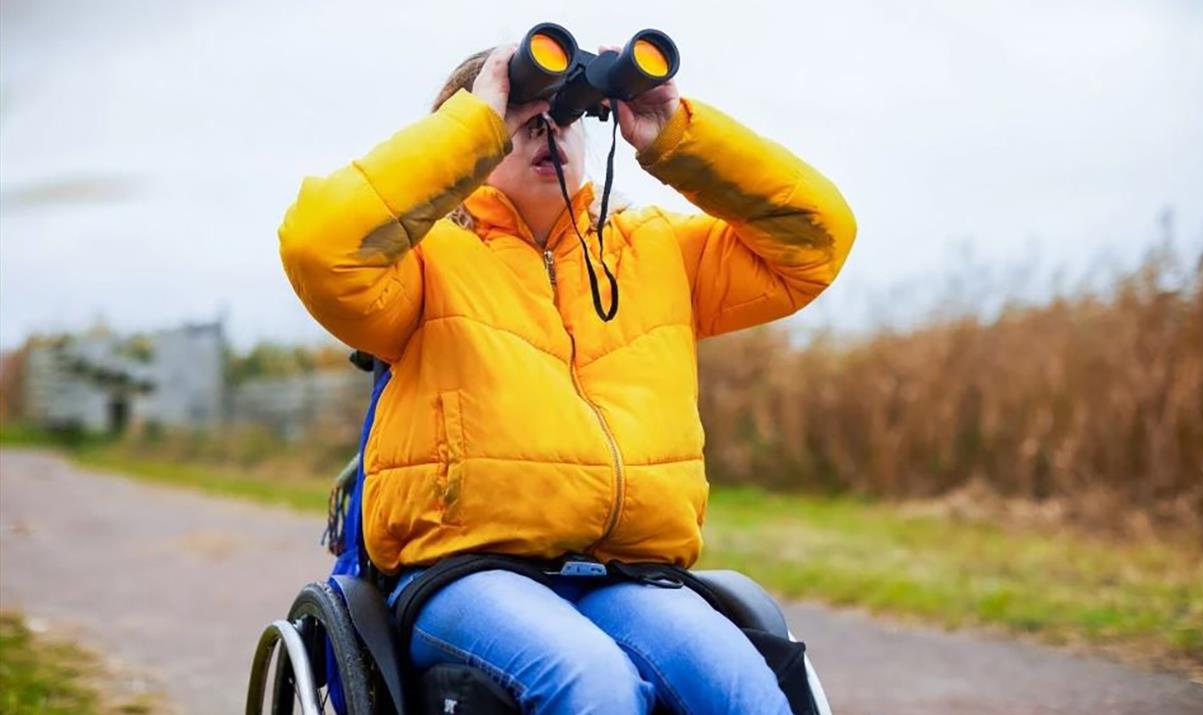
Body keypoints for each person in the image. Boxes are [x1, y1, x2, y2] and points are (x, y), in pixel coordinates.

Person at [280, 41, 856, 715]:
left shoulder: (656, 252)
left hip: (627, 574)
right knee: (593, 684)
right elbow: (319, 246)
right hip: (468, 572)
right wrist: (473, 125)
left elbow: (818, 240)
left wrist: (676, 132)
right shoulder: (424, 263)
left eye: (562, 115)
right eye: (520, 119)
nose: (545, 130)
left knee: (746, 690)